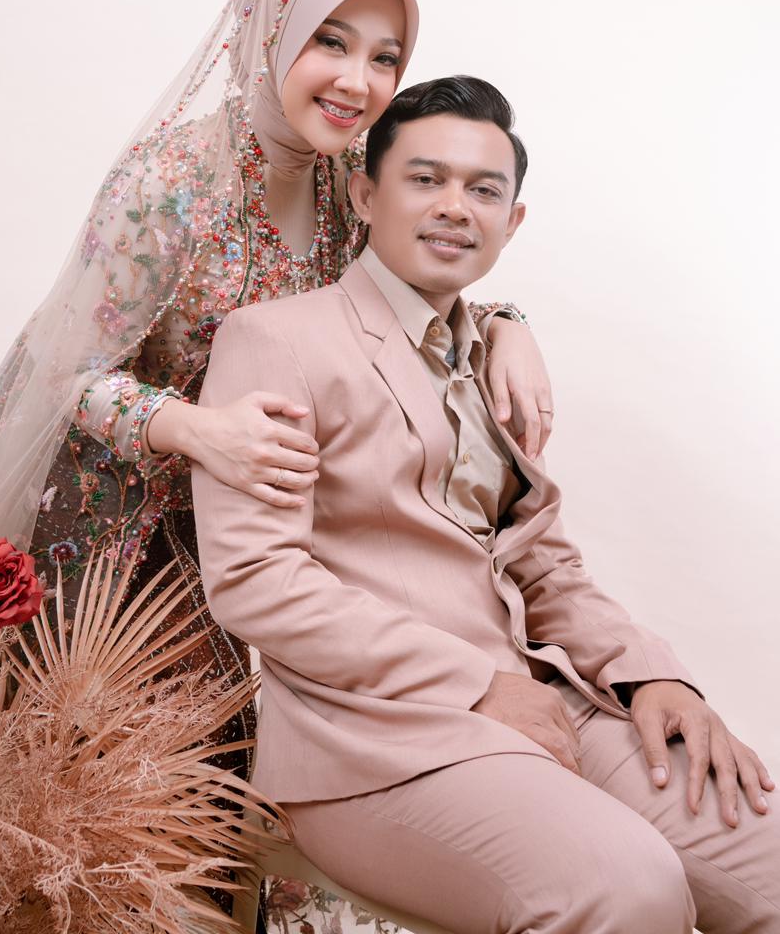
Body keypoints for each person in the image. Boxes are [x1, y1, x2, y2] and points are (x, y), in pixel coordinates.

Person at [0, 0, 550, 770]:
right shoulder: (172, 182)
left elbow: (409, 284)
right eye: (330, 42)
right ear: (267, 31)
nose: (358, 81)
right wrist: (198, 430)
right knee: (82, 780)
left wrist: (506, 324)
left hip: (240, 520)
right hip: (107, 516)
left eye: (384, 58)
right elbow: (63, 375)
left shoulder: (349, 178)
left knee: (218, 784)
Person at [193, 75, 779, 934]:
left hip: (549, 700)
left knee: (768, 855)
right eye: (425, 179)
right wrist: (473, 684)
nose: (454, 207)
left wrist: (651, 673)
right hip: (375, 739)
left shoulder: (492, 353)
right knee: (626, 888)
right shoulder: (276, 339)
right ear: (365, 196)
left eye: (483, 189)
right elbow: (257, 581)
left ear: (513, 220)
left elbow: (541, 562)